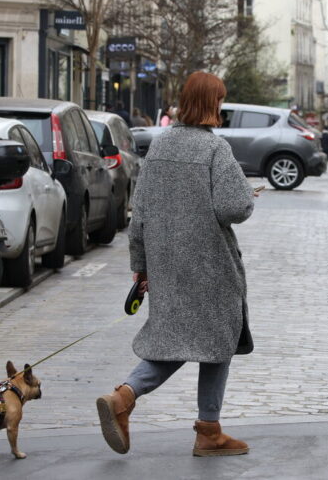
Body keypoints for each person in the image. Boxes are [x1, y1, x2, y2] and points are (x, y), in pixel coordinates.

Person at [96, 71, 256, 458]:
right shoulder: (215, 150)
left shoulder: (161, 147)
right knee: (217, 342)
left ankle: (127, 397)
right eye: (219, 100)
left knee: (175, 339)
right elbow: (235, 206)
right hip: (211, 266)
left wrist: (141, 267)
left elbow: (140, 215)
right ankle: (207, 431)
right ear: (211, 104)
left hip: (167, 266)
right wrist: (248, 194)